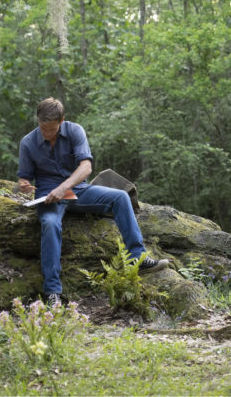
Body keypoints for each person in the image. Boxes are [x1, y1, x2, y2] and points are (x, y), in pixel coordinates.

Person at [17, 97, 169, 304]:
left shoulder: (75, 131)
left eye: (51, 130)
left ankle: (137, 257)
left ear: (61, 121)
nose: (46, 133)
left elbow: (86, 167)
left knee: (121, 197)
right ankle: (52, 292)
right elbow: (24, 177)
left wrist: (64, 187)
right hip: (48, 197)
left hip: (78, 190)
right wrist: (24, 185)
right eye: (42, 128)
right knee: (50, 223)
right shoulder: (27, 142)